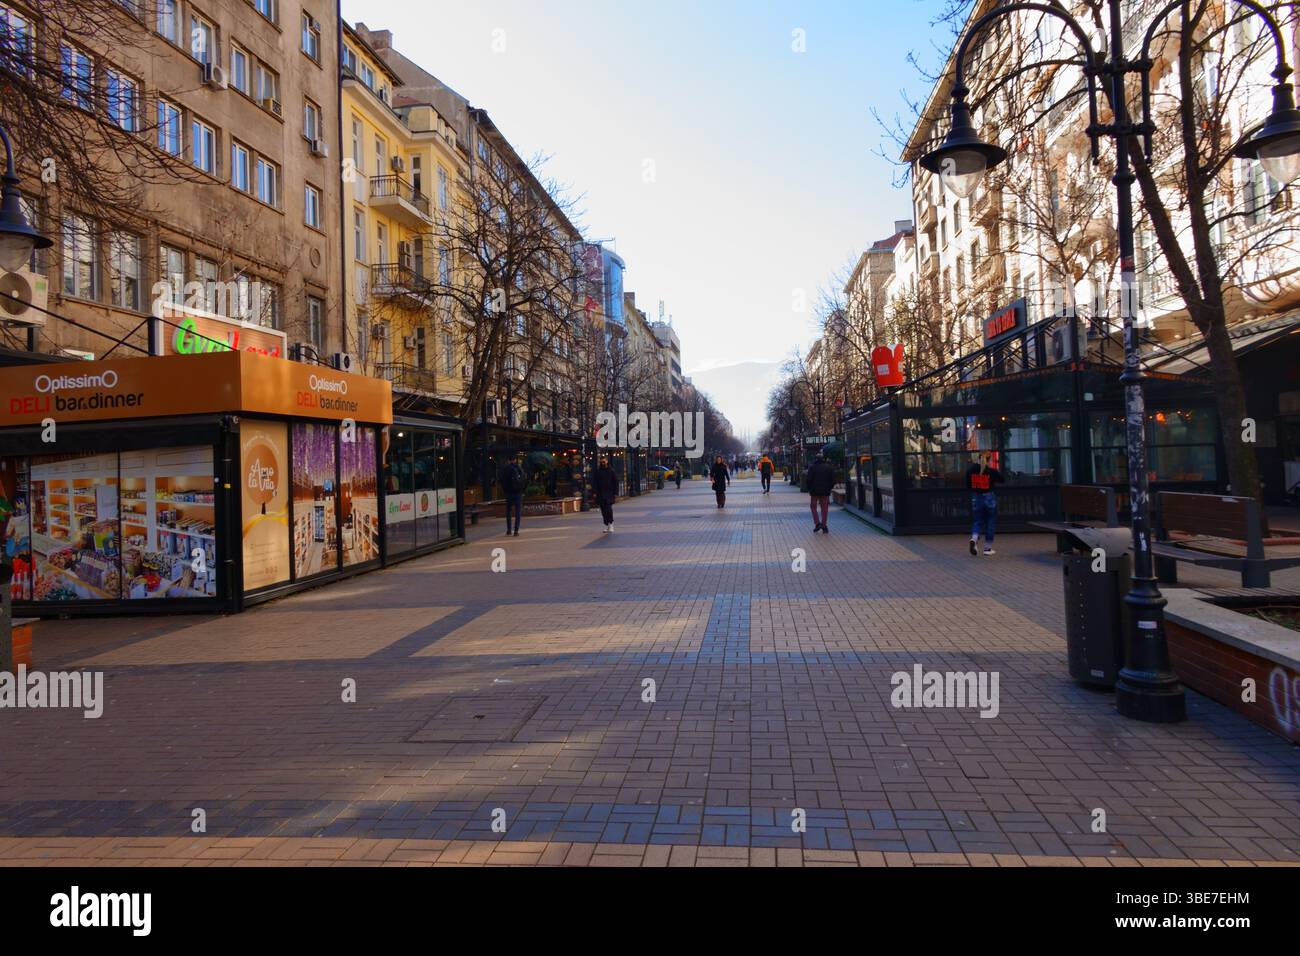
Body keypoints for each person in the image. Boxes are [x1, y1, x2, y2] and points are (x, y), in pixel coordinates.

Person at [967, 452, 1004, 556]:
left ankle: (974, 538)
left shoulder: (971, 471)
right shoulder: (991, 471)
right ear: (989, 460)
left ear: (978, 458)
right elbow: (1002, 479)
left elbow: (968, 485)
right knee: (990, 521)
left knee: (977, 520)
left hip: (976, 497)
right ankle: (987, 548)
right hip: (989, 498)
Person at [805, 454, 836, 533]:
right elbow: (833, 480)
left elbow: (808, 480)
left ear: (816, 459)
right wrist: (829, 488)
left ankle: (817, 523)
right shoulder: (829, 467)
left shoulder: (812, 467)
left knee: (813, 507)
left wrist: (809, 489)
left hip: (814, 491)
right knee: (824, 508)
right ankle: (824, 525)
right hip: (825, 491)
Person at [498, 452, 526, 536]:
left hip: (508, 493)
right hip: (517, 493)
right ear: (515, 460)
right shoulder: (518, 468)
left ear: (508, 460)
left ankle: (509, 530)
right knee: (517, 512)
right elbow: (523, 479)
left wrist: (505, 491)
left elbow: (501, 481)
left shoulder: (504, 469)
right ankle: (516, 530)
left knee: (508, 511)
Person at [593, 457, 619, 533]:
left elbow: (616, 482)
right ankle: (606, 524)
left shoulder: (611, 471)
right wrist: (594, 492)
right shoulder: (598, 472)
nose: (602, 463)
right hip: (600, 493)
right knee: (603, 510)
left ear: (607, 462)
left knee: (608, 509)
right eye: (601, 462)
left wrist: (616, 493)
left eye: (604, 462)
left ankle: (611, 524)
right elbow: (595, 482)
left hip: (609, 493)